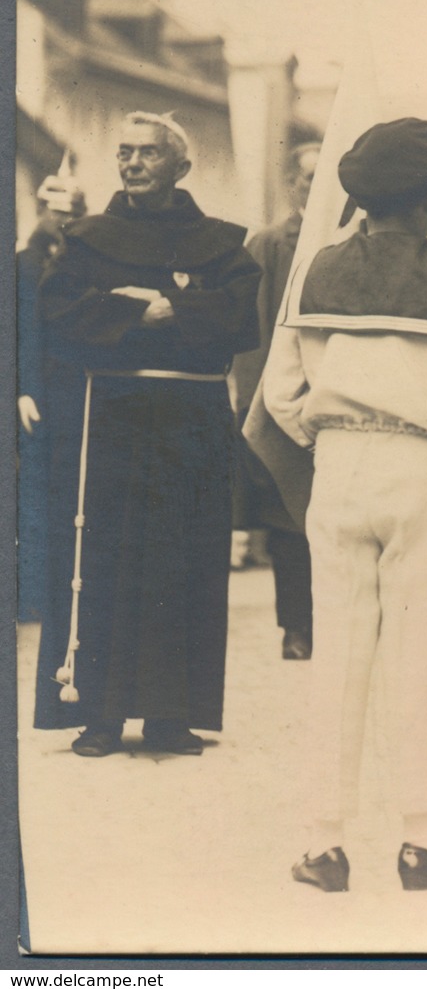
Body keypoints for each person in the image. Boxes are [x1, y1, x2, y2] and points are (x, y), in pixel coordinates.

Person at [264, 117, 427, 894]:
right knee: (418, 655)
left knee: (338, 653)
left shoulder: (312, 278)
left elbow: (280, 392)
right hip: (422, 467)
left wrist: (326, 432)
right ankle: (424, 842)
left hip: (338, 465)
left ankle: (323, 844)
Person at [35, 112, 261, 756]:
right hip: (110, 413)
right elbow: (57, 312)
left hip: (190, 419)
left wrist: (165, 306)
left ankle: (170, 714)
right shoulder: (85, 239)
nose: (132, 163)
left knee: (180, 557)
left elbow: (238, 315)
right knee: (103, 557)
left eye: (149, 154)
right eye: (125, 153)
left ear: (180, 167)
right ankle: (99, 716)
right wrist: (148, 308)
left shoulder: (221, 243)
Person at [234, 142, 320, 660]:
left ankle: (334, 621)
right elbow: (254, 332)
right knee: (288, 521)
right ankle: (296, 627)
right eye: (308, 178)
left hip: (334, 398)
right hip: (282, 398)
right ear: (294, 184)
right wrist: (256, 402)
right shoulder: (269, 244)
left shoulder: (350, 238)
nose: (317, 187)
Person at [18, 172, 87, 623]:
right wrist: (23, 389)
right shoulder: (23, 263)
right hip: (35, 393)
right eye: (56, 212)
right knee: (35, 496)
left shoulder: (82, 262)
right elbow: (21, 332)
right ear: (42, 211)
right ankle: (33, 594)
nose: (62, 221)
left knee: (70, 495)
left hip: (74, 390)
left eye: (71, 214)